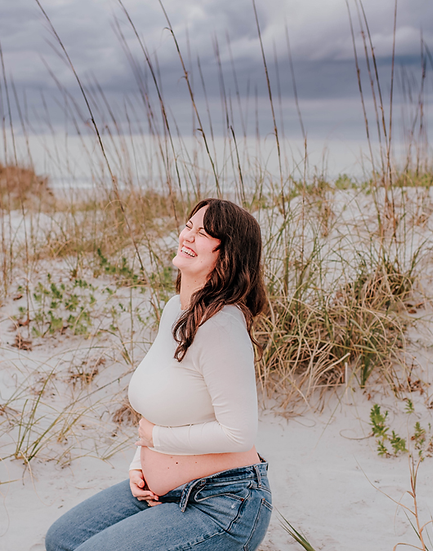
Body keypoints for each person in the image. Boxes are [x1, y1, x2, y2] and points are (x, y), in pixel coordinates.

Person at [44, 198, 272, 551]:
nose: (189, 236)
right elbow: (163, 401)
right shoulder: (175, 310)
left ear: (228, 255)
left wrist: (157, 439)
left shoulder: (222, 327)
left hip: (222, 503)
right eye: (189, 226)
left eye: (205, 233)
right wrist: (142, 464)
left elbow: (238, 434)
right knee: (62, 540)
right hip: (163, 491)